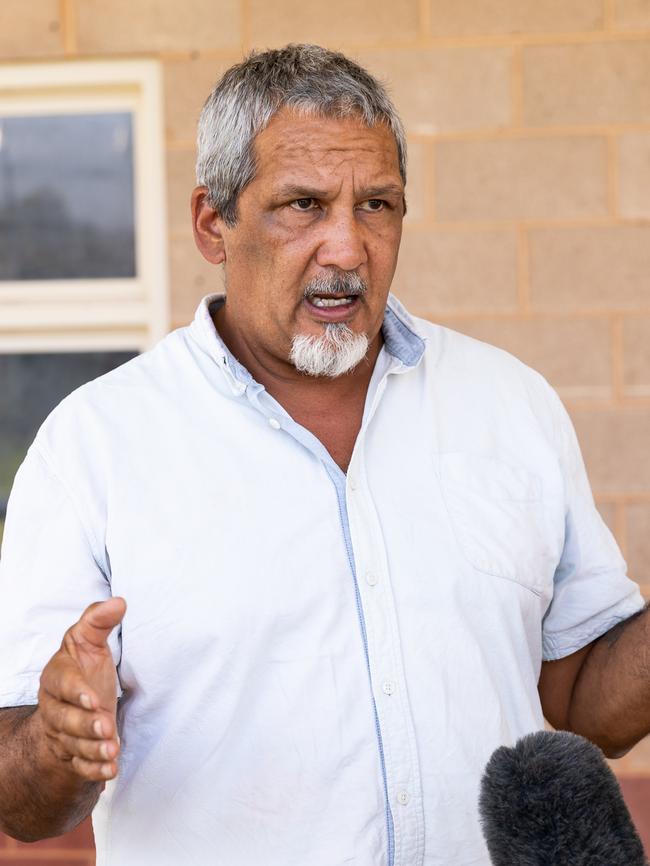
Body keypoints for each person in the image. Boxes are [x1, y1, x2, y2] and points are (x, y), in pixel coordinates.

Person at [0, 44, 647, 866]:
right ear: (213, 223)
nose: (346, 248)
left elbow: (586, 699)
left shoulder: (510, 406)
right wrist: (58, 741)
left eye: (377, 205)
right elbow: (20, 798)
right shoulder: (92, 446)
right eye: (303, 204)